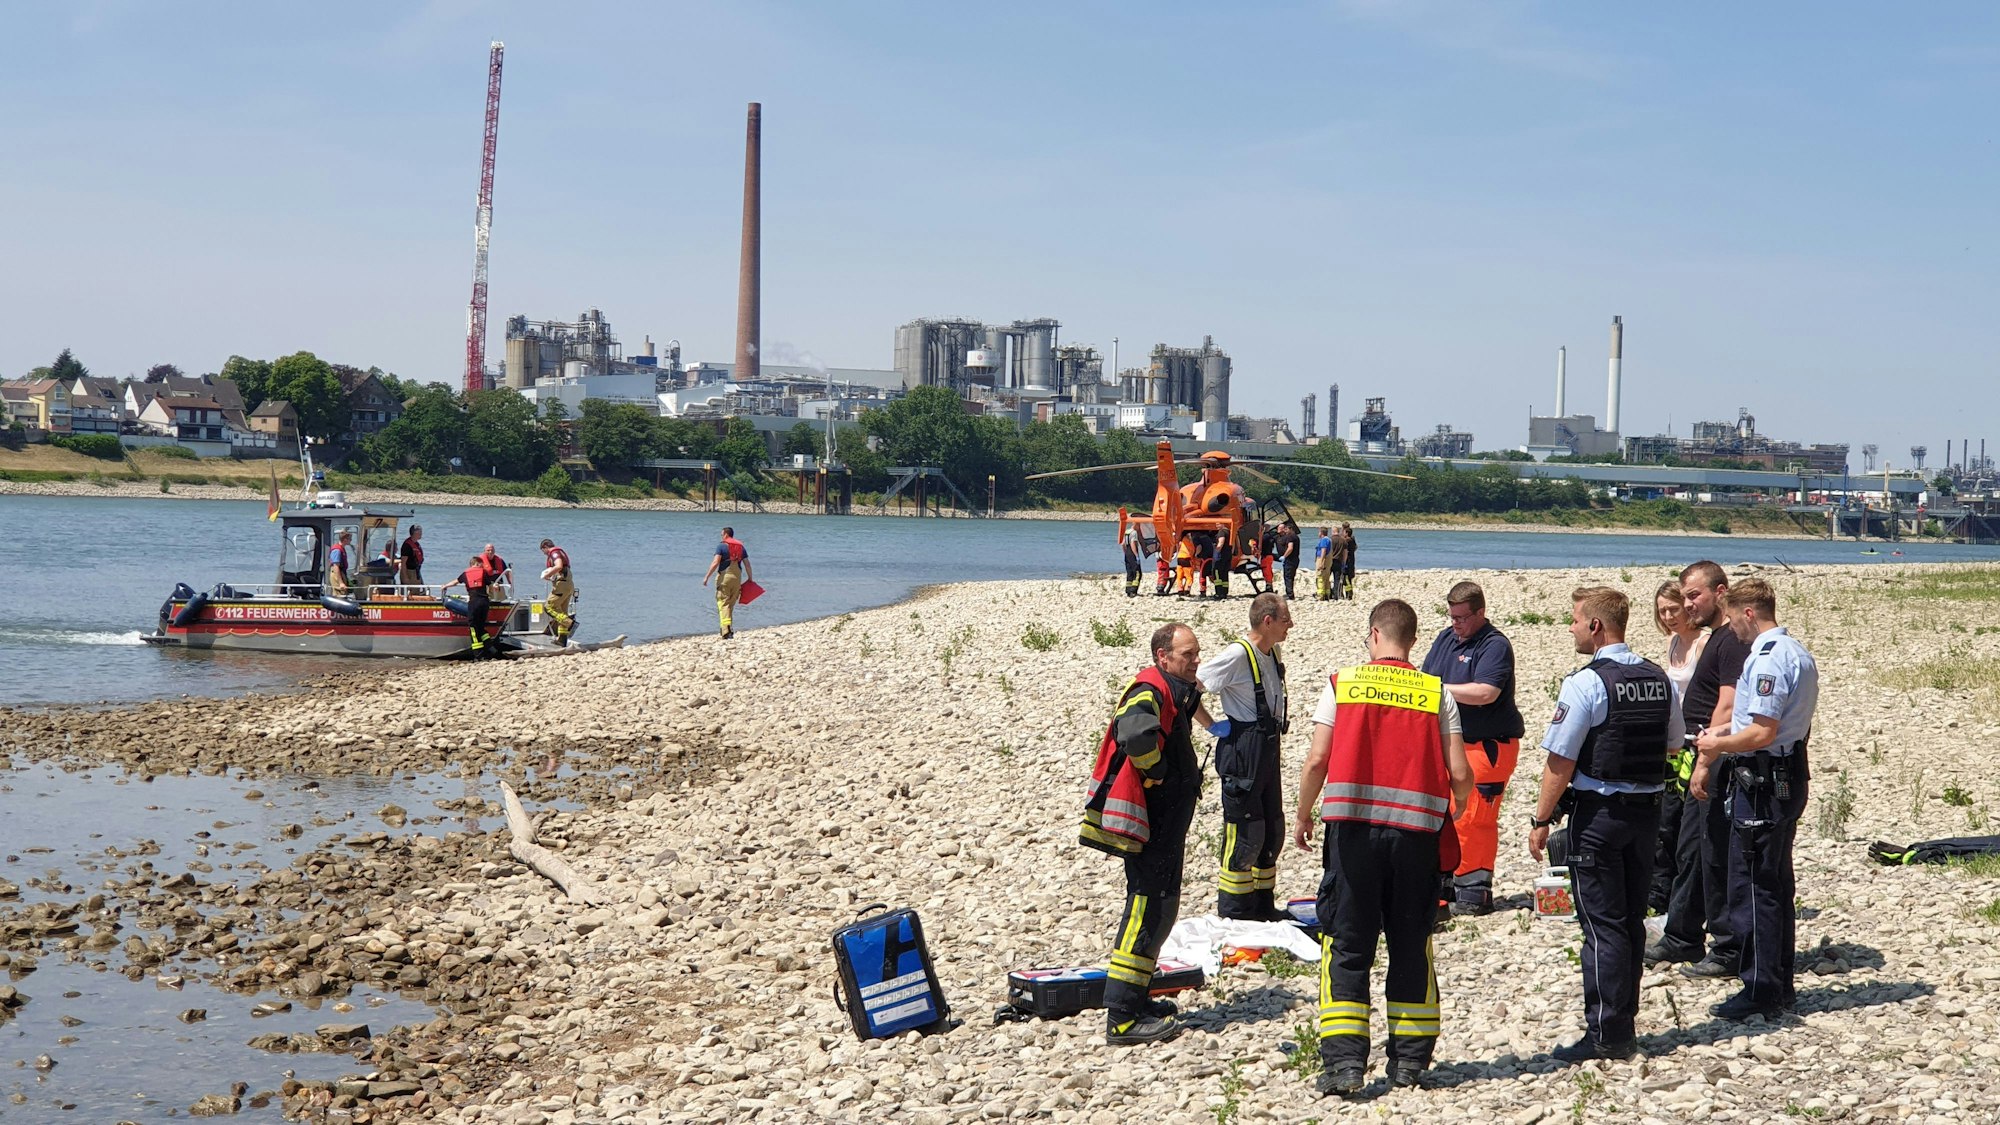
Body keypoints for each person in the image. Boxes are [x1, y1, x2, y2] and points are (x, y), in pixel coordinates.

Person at [1293, 598, 1472, 1094]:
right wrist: (1454, 805)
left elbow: (1316, 761)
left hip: (1352, 834)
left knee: (1348, 946)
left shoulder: (1343, 684)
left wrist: (1304, 814)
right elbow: (1460, 773)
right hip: (1416, 838)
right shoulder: (1437, 692)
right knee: (1411, 944)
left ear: (1374, 635)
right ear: (1413, 640)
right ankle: (1410, 1063)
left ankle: (1346, 1066)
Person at [1528, 586, 1683, 1062]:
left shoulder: (1586, 683)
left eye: (1575, 620)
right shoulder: (1659, 678)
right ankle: (1624, 1020)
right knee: (1630, 921)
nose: (1571, 628)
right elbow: (1675, 743)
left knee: (1601, 926)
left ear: (1596, 626)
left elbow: (1560, 760)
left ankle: (1607, 1033)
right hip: (1647, 815)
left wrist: (1540, 819)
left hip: (1600, 815)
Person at [1080, 622, 1215, 1045]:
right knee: (1145, 912)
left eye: (1196, 653)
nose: (1195, 660)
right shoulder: (1149, 689)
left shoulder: (1172, 688)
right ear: (1163, 657)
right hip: (1151, 825)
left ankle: (1137, 999)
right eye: (1188, 654)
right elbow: (1135, 734)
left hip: (1165, 824)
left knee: (1160, 911)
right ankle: (1121, 1017)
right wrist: (1156, 774)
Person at [1692, 577, 1817, 1020]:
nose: (1731, 630)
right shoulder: (1796, 651)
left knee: (1753, 884)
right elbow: (1766, 721)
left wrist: (1716, 748)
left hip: (1763, 780)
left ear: (1748, 613)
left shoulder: (1767, 659)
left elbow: (1762, 731)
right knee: (1776, 879)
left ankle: (1761, 986)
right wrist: (1725, 731)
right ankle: (1778, 981)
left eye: (1732, 620)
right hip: (1785, 771)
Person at [1646, 561, 1752, 976]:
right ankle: (1684, 933)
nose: (1687, 604)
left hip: (1712, 756)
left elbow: (1727, 705)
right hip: (1694, 752)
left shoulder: (1727, 642)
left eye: (1694, 596)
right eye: (1684, 596)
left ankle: (1713, 942)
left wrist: (1705, 761)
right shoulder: (1719, 639)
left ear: (1720, 592)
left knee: (1704, 849)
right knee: (1691, 848)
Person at [1419, 581, 1526, 916]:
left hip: (1487, 745)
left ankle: (1475, 891)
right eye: (1452, 616)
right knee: (1444, 813)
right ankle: (1446, 882)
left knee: (1475, 818)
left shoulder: (1494, 645)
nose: (1456, 623)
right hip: (1451, 741)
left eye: (1462, 618)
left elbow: (1485, 693)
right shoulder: (1445, 639)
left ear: (1481, 613)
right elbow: (1425, 676)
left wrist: (1438, 688)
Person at [1198, 592, 1292, 920]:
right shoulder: (1238, 654)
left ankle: (1263, 908)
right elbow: (1191, 685)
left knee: (1271, 829)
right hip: (1242, 750)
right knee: (1245, 833)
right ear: (1267, 622)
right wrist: (1211, 725)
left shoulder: (1272, 650)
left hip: (1267, 748)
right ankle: (1235, 913)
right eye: (1285, 620)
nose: (1290, 626)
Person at [1648, 582, 1710, 914]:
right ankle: (1664, 890)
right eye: (1662, 611)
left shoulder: (1704, 643)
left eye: (1673, 608)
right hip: (1675, 736)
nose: (1669, 616)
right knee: (1667, 816)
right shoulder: (1673, 642)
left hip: (1697, 735)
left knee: (1683, 817)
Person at [701, 526, 751, 639]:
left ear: (726, 535)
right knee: (730, 605)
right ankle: (729, 628)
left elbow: (715, 563)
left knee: (723, 603)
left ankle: (725, 630)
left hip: (725, 578)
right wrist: (750, 579)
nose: (721, 536)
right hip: (737, 579)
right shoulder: (741, 547)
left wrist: (706, 577)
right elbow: (747, 564)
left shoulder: (721, 546)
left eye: (721, 534)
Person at [443, 554, 496, 658]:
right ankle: (490, 648)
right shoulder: (483, 572)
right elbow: (490, 585)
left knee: (473, 628)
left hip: (474, 602)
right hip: (484, 602)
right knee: (481, 626)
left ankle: (478, 654)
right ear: (476, 563)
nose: (482, 567)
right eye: (481, 564)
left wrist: (445, 586)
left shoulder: (465, 574)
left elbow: (455, 582)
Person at [540, 538, 577, 646]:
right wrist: (552, 576)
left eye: (543, 551)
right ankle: (562, 639)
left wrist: (547, 575)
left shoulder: (554, 553)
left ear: (546, 547)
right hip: (568, 584)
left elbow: (559, 565)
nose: (544, 554)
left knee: (548, 607)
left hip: (561, 585)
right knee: (562, 611)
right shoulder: (560, 552)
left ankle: (569, 623)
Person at [1276, 520, 1302, 600]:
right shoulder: (1296, 537)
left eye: (1286, 529)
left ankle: (1290, 595)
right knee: (1291, 576)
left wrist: (1284, 556)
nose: (1285, 531)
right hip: (1295, 559)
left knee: (1288, 577)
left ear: (1290, 529)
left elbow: (1290, 548)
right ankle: (1290, 593)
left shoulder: (1290, 537)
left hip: (1290, 559)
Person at [326, 529, 355, 595]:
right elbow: (336, 567)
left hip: (341, 573)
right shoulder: (337, 550)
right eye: (350, 539)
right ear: (345, 539)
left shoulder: (341, 548)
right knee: (340, 594)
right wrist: (340, 583)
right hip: (337, 574)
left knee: (344, 593)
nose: (351, 541)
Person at [1121, 522, 1145, 599]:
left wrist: (1125, 553)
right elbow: (1133, 544)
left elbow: (1123, 544)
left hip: (1127, 553)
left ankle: (1128, 590)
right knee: (1137, 573)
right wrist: (1136, 556)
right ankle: (1133, 590)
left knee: (1129, 572)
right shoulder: (1134, 533)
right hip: (1132, 553)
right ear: (1136, 525)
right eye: (1139, 526)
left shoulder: (1127, 531)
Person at [400, 524, 425, 588]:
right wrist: (405, 577)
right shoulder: (407, 545)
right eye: (420, 532)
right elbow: (403, 562)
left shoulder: (416, 544)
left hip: (416, 571)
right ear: (414, 533)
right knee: (411, 593)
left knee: (418, 591)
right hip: (409, 572)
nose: (421, 533)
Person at [1314, 526, 1335, 601]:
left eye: (1319, 532)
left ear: (1321, 533)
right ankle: (1327, 594)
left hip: (1323, 560)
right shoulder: (1329, 539)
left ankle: (1320, 595)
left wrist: (1321, 562)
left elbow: (1323, 551)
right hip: (1328, 562)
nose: (1318, 533)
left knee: (1320, 578)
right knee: (1326, 578)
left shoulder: (1323, 540)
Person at [1340, 524, 1357, 600]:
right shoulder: (1353, 540)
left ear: (1346, 533)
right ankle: (1349, 593)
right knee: (1349, 578)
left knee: (1345, 578)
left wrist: (1343, 562)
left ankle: (1348, 594)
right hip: (1352, 561)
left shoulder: (1347, 541)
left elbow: (1345, 551)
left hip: (1347, 562)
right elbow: (1356, 547)